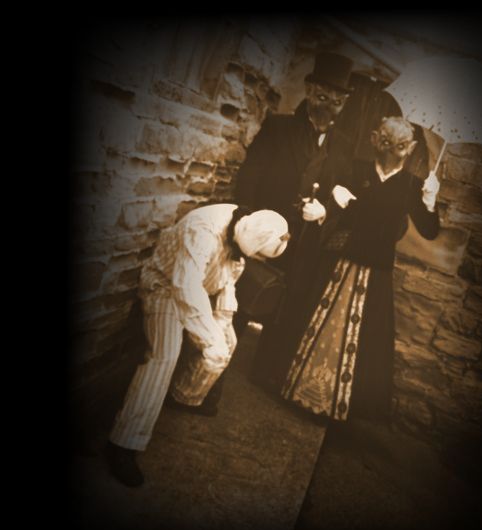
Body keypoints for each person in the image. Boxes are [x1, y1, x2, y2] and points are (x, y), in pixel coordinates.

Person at [105, 204, 289, 487]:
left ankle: (181, 395)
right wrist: (209, 337)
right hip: (166, 287)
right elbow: (185, 286)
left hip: (201, 291)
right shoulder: (203, 230)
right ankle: (123, 444)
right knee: (164, 356)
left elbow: (228, 280)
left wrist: (222, 324)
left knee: (227, 343)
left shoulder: (246, 227)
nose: (255, 260)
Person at [279, 116, 440, 423]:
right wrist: (327, 208)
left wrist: (430, 202)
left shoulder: (412, 186)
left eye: (400, 146)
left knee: (365, 343)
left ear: (410, 149)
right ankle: (297, 389)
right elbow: (338, 212)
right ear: (375, 139)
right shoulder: (357, 170)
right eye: (386, 142)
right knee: (312, 317)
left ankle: (340, 408)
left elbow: (429, 231)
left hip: (376, 273)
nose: (391, 151)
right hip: (339, 261)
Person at [232, 51, 353, 274]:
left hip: (304, 252)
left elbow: (343, 196)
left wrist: (324, 213)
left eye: (337, 103)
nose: (328, 108)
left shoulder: (344, 145)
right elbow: (249, 178)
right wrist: (246, 227)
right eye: (322, 98)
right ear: (309, 90)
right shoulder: (277, 127)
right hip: (261, 240)